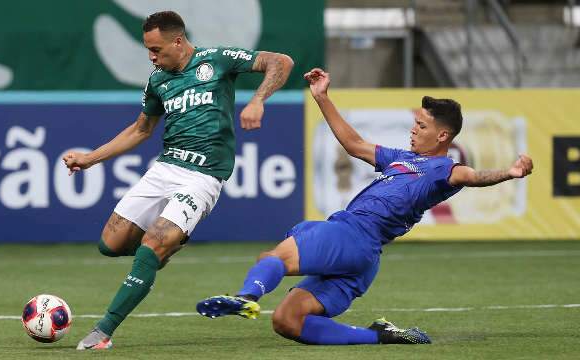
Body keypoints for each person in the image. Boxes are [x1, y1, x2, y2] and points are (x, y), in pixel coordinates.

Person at [196, 68, 534, 345]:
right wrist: (323, 98)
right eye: (415, 124)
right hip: (364, 259)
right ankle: (379, 336)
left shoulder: (445, 170)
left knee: (273, 258)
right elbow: (355, 145)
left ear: (443, 136)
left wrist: (509, 172)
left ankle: (246, 296)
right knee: (288, 321)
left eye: (422, 126)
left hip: (353, 235)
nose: (413, 131)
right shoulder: (403, 159)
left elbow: (474, 176)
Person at [63, 11, 293, 350]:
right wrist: (90, 158)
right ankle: (168, 246)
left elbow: (281, 61)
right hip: (165, 169)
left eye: (156, 49)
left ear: (178, 41)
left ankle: (103, 332)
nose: (151, 57)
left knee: (150, 246)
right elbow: (142, 129)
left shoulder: (217, 60)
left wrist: (257, 100)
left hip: (202, 177)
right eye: (148, 50)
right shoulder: (158, 79)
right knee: (109, 244)